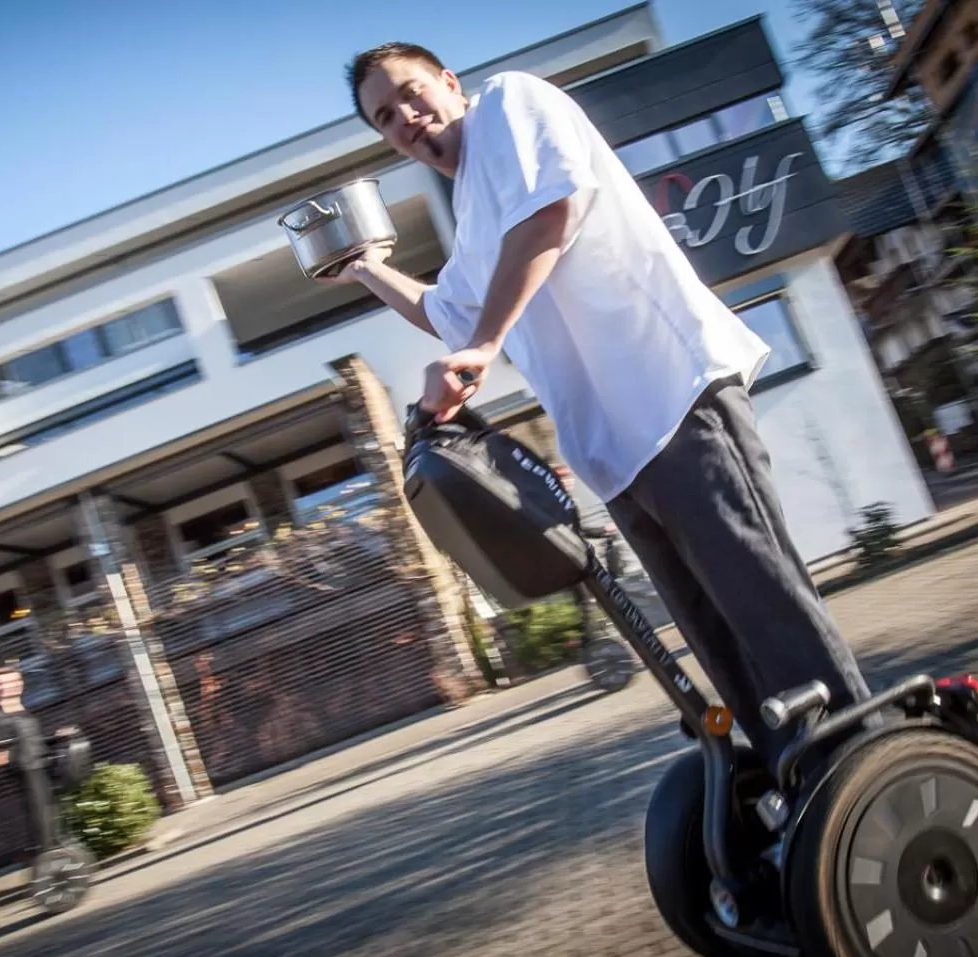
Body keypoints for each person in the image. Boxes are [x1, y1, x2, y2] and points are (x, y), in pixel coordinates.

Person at [330, 42, 872, 772]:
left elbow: (550, 213)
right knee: (719, 641)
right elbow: (445, 311)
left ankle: (865, 773)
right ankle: (799, 784)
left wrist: (488, 343)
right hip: (614, 455)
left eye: (412, 94)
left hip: (673, 396)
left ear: (449, 83)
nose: (407, 120)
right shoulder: (473, 209)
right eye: (385, 118)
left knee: (766, 607)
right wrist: (364, 268)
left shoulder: (509, 106)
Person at [0, 661, 60, 853]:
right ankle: (49, 856)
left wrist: (54, 738)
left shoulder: (21, 710)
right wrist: (5, 757)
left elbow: (31, 739)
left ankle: (54, 852)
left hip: (41, 766)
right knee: (41, 817)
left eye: (3, 683)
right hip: (27, 771)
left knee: (50, 814)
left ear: (19, 683)